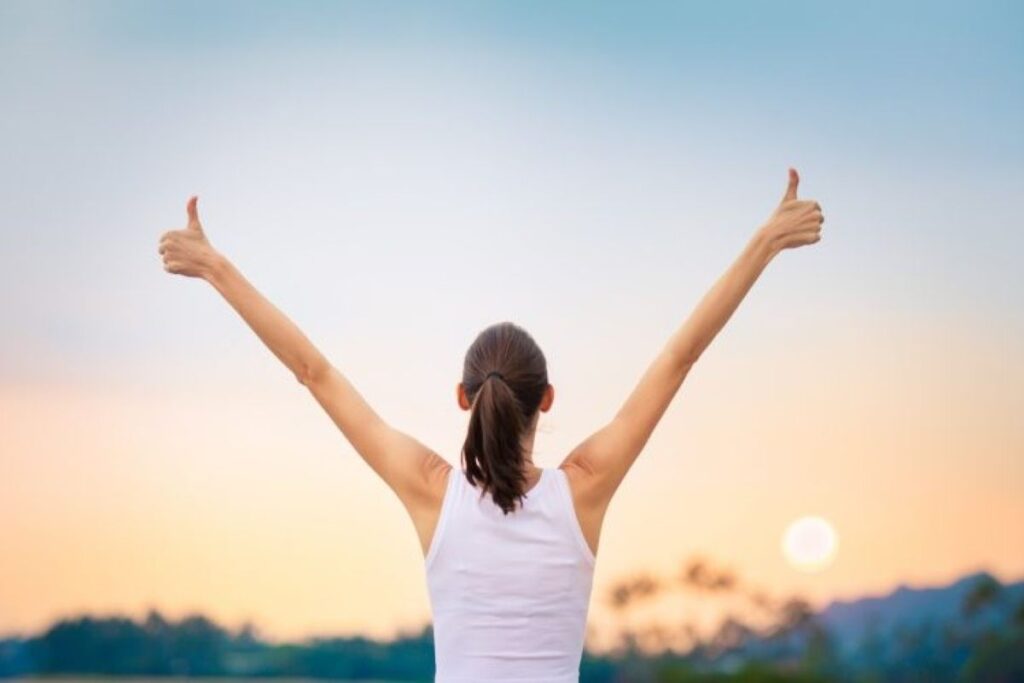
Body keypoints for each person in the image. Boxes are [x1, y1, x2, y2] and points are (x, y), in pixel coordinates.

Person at [158, 168, 824, 682]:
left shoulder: (429, 488)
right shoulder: (584, 486)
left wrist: (216, 266)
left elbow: (314, 371)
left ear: (462, 396)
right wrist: (765, 242)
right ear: (548, 399)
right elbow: (679, 358)